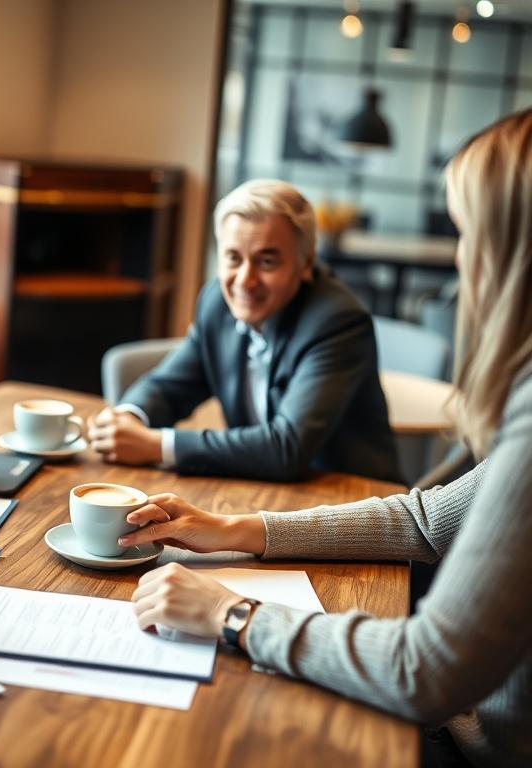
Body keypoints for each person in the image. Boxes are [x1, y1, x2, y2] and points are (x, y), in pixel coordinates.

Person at [122, 110, 532, 767]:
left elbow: (426, 673)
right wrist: (236, 529)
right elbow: (428, 520)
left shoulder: (340, 320)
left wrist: (235, 615)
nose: (460, 256)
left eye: (467, 232)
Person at [88, 179, 400, 483]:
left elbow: (286, 448)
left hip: (351, 505)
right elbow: (169, 387)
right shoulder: (216, 301)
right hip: (260, 492)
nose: (245, 281)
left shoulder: (337, 322)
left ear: (306, 262)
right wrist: (130, 418)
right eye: (233, 258)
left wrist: (154, 445)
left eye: (266, 262)